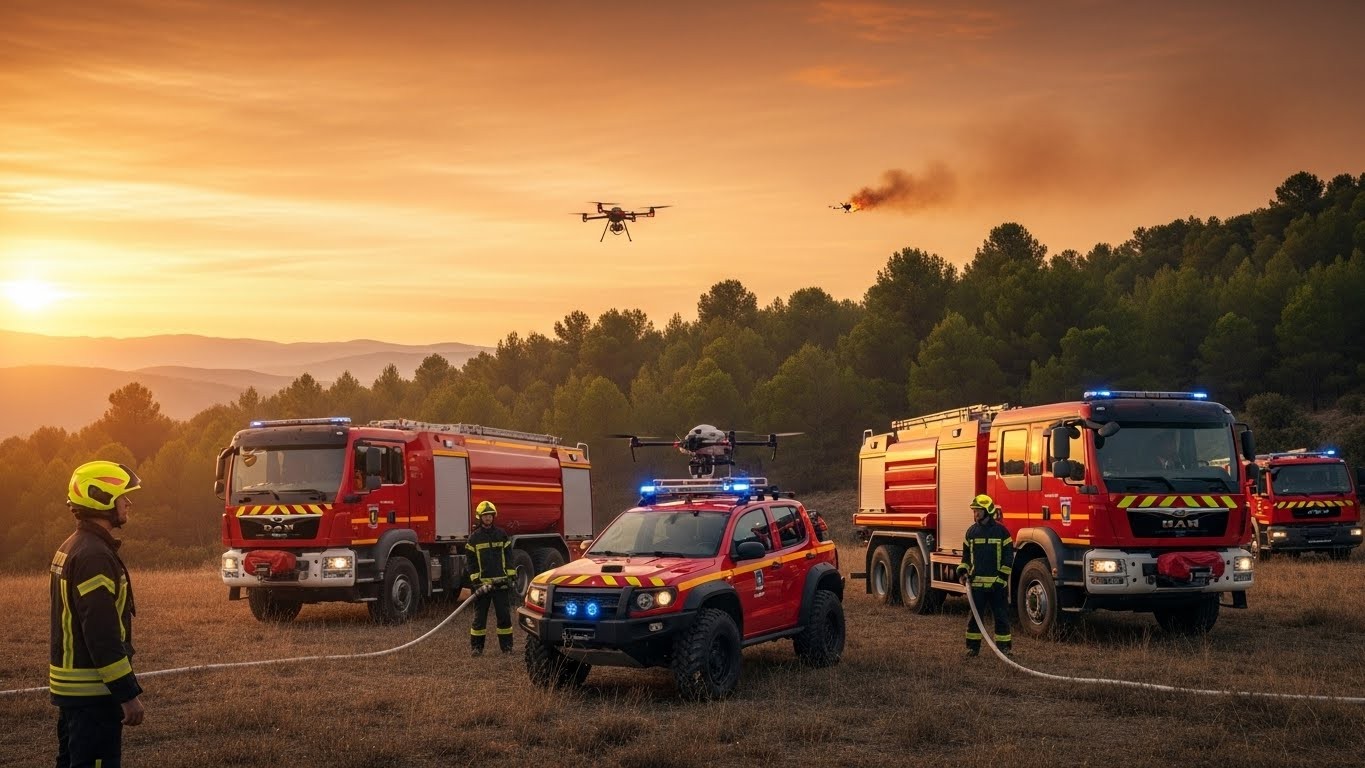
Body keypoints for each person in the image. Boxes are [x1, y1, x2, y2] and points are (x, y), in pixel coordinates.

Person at [50, 460, 146, 767]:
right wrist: (126, 693)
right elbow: (101, 634)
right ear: (101, 498)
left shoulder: (73, 546)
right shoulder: (93, 556)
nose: (129, 502)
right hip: (93, 692)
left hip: (76, 692)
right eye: (122, 496)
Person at [956, 494, 1014, 658]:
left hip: (997, 586)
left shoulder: (1001, 532)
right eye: (974, 511)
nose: (975, 515)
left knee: (1001, 617)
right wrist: (962, 571)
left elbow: (1008, 557)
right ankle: (972, 648)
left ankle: (1004, 649)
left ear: (987, 511)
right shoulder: (971, 532)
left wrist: (1001, 579)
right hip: (977, 586)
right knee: (974, 618)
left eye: (978, 511)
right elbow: (966, 557)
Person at [466, 500, 515, 655]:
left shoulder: (501, 535)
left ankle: (506, 647)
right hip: (483, 585)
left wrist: (511, 577)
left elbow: (509, 557)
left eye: (490, 516)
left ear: (493, 517)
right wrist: (475, 582)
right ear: (480, 517)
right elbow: (471, 562)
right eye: (485, 516)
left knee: (504, 617)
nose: (488, 518)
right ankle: (476, 648)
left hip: (501, 584)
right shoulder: (474, 538)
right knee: (479, 619)